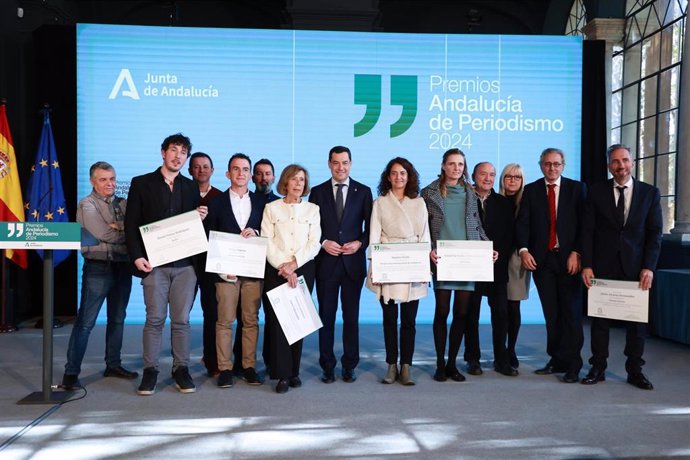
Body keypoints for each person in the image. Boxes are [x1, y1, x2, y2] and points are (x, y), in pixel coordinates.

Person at [125, 133, 207, 395]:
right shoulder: (141, 183)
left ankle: (181, 368)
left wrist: (199, 218)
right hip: (153, 264)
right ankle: (150, 371)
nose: (178, 156)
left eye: (183, 152)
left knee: (182, 320)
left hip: (186, 265)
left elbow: (190, 228)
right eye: (174, 150)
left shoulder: (191, 186)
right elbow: (131, 224)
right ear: (163, 152)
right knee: (155, 319)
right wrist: (137, 256)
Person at [580, 144, 662, 390]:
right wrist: (587, 264)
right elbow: (587, 231)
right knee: (600, 320)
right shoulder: (595, 192)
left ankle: (635, 370)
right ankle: (598, 367)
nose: (620, 165)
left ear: (632, 163)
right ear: (609, 166)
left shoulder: (650, 193)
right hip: (602, 266)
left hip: (636, 267)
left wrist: (649, 266)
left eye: (625, 160)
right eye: (615, 161)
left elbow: (654, 233)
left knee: (637, 323)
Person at [61, 162, 137, 390]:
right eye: (103, 179)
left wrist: (120, 227)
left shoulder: (123, 203)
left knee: (118, 318)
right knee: (85, 322)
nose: (110, 183)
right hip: (98, 267)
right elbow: (104, 233)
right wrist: (123, 230)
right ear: (93, 182)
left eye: (112, 178)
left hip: (122, 266)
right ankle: (71, 373)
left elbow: (136, 228)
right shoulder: (87, 204)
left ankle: (113, 364)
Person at [515, 147, 586, 383]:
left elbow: (586, 226)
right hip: (543, 261)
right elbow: (523, 224)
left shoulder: (577, 189)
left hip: (569, 261)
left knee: (571, 314)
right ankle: (557, 359)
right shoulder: (532, 190)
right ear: (540, 165)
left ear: (563, 166)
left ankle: (574, 364)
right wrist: (524, 250)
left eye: (556, 164)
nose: (552, 168)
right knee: (552, 314)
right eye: (547, 164)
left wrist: (577, 252)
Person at [421, 148, 487, 382]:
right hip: (442, 259)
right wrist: (428, 248)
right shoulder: (429, 192)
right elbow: (423, 226)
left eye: (460, 164)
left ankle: (452, 364)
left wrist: (488, 247)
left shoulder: (470, 191)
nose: (456, 168)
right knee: (442, 311)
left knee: (461, 313)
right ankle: (440, 364)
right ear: (443, 166)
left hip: (466, 259)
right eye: (451, 164)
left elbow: (477, 225)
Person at [309, 146, 372, 384]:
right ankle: (327, 365)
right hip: (326, 264)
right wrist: (323, 242)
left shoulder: (364, 192)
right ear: (329, 164)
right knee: (326, 316)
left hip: (352, 264)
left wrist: (360, 243)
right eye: (336, 163)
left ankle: (349, 365)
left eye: (345, 162)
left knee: (351, 317)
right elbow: (310, 228)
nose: (340, 167)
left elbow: (370, 229)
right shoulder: (316, 192)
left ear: (351, 164)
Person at [205, 153, 266, 388]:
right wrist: (221, 270)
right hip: (225, 274)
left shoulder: (263, 203)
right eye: (236, 169)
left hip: (252, 272)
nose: (241, 173)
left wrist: (258, 234)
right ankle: (225, 368)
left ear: (251, 175)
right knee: (224, 321)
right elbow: (210, 238)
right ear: (228, 173)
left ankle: (248, 366)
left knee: (250, 320)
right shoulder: (216, 203)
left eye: (245, 169)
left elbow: (269, 234)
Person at [367, 157, 430, 386]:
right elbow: (374, 235)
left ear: (409, 176)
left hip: (413, 262)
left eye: (403, 173)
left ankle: (407, 366)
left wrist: (424, 267)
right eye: (394, 173)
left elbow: (425, 236)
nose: (398, 177)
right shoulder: (380, 203)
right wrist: (374, 265)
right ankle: (391, 364)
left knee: (409, 321)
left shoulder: (419, 202)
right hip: (388, 263)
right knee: (389, 319)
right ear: (388, 177)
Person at [261, 164, 321, 393]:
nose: (298, 184)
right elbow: (267, 240)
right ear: (285, 182)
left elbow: (314, 243)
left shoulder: (312, 209)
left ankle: (294, 371)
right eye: (294, 179)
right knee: (278, 324)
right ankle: (282, 375)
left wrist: (294, 264)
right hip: (276, 270)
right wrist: (284, 268)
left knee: (298, 321)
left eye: (302, 180)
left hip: (304, 267)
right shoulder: (271, 208)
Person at [465, 162, 516, 376]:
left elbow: (509, 235)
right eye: (483, 174)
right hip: (470, 266)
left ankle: (501, 359)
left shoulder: (504, 204)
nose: (488, 178)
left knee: (501, 314)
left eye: (492, 175)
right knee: (471, 314)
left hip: (497, 265)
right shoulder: (464, 201)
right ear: (474, 177)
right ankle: (473, 359)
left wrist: (498, 254)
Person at [189, 152, 223, 377]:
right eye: (196, 167)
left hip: (211, 264)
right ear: (190, 170)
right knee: (181, 315)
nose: (201, 170)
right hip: (186, 262)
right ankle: (179, 364)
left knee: (212, 313)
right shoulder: (181, 193)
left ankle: (211, 359)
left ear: (212, 170)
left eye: (205, 167)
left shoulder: (220, 197)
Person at [499, 163, 531, 369]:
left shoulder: (528, 202)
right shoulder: (494, 200)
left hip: (518, 258)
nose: (512, 180)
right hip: (495, 258)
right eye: (508, 176)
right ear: (502, 179)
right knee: (499, 309)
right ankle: (499, 350)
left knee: (513, 307)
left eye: (517, 177)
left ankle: (511, 350)